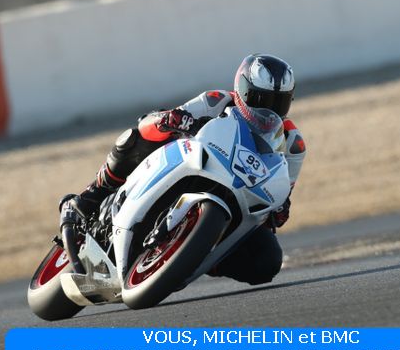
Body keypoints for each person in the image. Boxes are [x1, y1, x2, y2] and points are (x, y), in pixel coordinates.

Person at [61, 54, 306, 285]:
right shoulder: (216, 101)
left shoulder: (293, 143)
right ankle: (90, 196)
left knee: (267, 260)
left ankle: (194, 255)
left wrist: (279, 208)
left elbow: (281, 194)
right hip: (192, 166)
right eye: (260, 99)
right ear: (241, 89)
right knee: (136, 138)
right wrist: (171, 119)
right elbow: (152, 122)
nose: (267, 110)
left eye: (278, 102)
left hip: (237, 201)